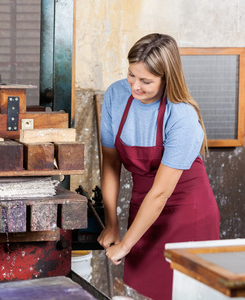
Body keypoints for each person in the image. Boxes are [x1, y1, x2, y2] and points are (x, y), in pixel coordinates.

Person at [97, 33, 220, 300]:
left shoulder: (182, 116)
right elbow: (109, 165)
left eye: (146, 81)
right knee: (140, 291)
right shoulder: (116, 96)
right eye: (131, 75)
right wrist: (112, 222)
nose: (135, 87)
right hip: (144, 206)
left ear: (166, 79)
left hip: (186, 211)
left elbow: (161, 193)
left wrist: (126, 244)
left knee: (183, 293)